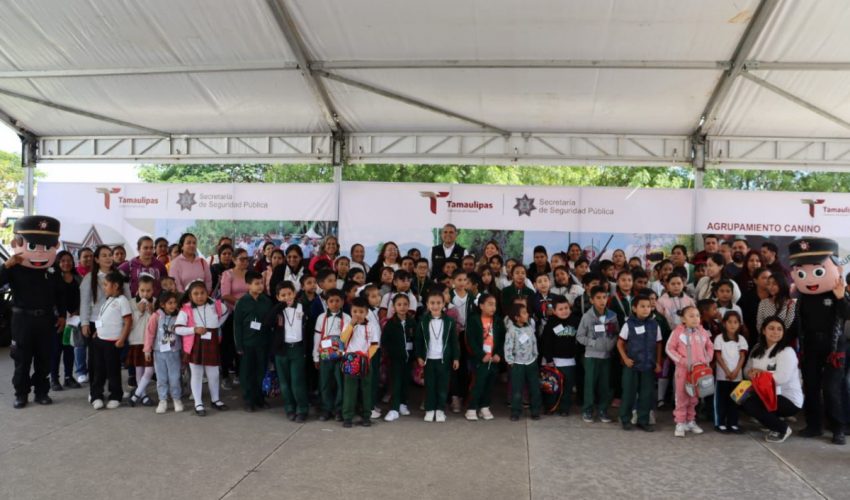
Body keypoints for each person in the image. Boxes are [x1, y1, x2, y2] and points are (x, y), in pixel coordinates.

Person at [788, 237, 849, 444]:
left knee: (832, 388)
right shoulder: (802, 298)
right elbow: (797, 324)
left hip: (834, 348)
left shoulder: (837, 294)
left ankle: (838, 427)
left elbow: (847, 315)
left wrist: (841, 297)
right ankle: (814, 425)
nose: (810, 278)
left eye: (818, 271)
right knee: (811, 386)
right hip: (810, 346)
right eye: (802, 272)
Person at [3, 216, 65, 408]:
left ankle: (41, 392)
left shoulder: (52, 269)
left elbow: (59, 294)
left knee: (43, 358)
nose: (40, 251)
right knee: (21, 359)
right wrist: (6, 266)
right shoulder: (14, 268)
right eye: (34, 246)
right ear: (17, 243)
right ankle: (21, 394)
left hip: (46, 319)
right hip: (22, 320)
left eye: (46, 247)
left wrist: (62, 315)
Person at [742, 317, 804, 443]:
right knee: (739, 397)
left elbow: (781, 379)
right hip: (765, 392)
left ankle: (782, 429)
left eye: (779, 329)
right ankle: (770, 421)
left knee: (750, 403)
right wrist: (751, 372)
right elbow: (746, 372)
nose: (775, 332)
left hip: (788, 399)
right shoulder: (757, 348)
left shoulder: (786, 351)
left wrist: (760, 373)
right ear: (763, 330)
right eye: (771, 328)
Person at [175, 280, 230, 416]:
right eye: (196, 294)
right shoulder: (186, 309)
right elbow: (178, 329)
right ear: (190, 295)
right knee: (197, 374)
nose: (199, 296)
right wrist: (194, 329)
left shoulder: (215, 305)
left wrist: (217, 325)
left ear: (208, 293)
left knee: (214, 373)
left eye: (202, 293)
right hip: (195, 344)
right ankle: (198, 403)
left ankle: (215, 399)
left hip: (211, 342)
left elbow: (226, 312)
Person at [665, 306, 713, 438]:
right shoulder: (677, 332)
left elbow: (710, 346)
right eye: (691, 316)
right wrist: (682, 361)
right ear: (683, 319)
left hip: (699, 371)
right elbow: (669, 349)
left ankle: (690, 421)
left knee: (694, 397)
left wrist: (707, 358)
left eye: (697, 315)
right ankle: (680, 422)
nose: (695, 318)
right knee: (681, 397)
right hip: (683, 371)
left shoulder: (703, 332)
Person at [616, 294, 662, 432]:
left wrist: (658, 362)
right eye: (642, 306)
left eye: (648, 306)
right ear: (634, 308)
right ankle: (625, 419)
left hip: (648, 365)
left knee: (646, 394)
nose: (646, 309)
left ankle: (643, 420)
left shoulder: (654, 325)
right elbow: (620, 343)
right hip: (632, 365)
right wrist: (625, 359)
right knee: (629, 393)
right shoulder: (628, 324)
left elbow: (659, 344)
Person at [415, 289, 459, 423]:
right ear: (427, 305)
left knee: (442, 385)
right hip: (428, 360)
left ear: (443, 304)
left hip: (443, 359)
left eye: (438, 303)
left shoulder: (450, 321)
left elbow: (454, 341)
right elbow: (418, 341)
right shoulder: (423, 321)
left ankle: (440, 410)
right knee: (430, 385)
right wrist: (419, 356)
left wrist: (456, 358)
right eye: (432, 303)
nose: (435, 306)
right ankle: (429, 409)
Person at [90, 271, 133, 410]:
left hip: (112, 342)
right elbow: (103, 319)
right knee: (98, 369)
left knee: (112, 370)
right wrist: (97, 331)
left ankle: (116, 395)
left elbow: (128, 322)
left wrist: (122, 339)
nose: (104, 287)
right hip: (100, 340)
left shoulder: (122, 301)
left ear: (115, 286)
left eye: (106, 284)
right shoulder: (108, 300)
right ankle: (96, 395)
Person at [576, 286, 619, 423]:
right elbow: (580, 336)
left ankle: (603, 410)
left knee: (604, 385)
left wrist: (611, 344)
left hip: (606, 356)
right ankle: (588, 410)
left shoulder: (612, 316)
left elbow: (616, 333)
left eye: (604, 297)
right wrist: (593, 343)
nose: (602, 301)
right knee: (590, 385)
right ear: (592, 300)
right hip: (591, 357)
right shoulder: (587, 317)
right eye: (598, 298)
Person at [268, 281, 309, 422]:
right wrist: (280, 306)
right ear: (278, 297)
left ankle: (302, 409)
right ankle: (290, 408)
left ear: (295, 294)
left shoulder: (302, 307)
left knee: (297, 381)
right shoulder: (277, 310)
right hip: (282, 350)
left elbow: (308, 327)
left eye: (289, 294)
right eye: (283, 295)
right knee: (284, 383)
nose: (287, 297)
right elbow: (267, 322)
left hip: (297, 349)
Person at [234, 271, 274, 412]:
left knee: (261, 372)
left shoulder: (266, 301)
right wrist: (239, 345)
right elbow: (237, 325)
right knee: (247, 373)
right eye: (256, 284)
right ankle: (248, 400)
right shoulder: (242, 302)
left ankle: (260, 398)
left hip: (263, 343)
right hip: (247, 344)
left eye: (261, 283)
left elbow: (270, 323)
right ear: (248, 285)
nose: (259, 286)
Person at [340, 297, 379, 428]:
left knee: (366, 389)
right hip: (351, 360)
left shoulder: (372, 326)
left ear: (366, 312)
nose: (358, 314)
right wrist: (351, 325)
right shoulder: (348, 324)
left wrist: (367, 357)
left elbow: (374, 345)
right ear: (351, 311)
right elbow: (343, 339)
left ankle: (366, 415)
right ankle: (348, 417)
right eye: (355, 311)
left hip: (365, 361)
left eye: (361, 311)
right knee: (350, 390)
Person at [312, 289, 350, 422]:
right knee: (325, 382)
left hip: (340, 355)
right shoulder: (321, 318)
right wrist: (315, 356)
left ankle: (338, 410)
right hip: (324, 355)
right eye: (331, 301)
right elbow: (317, 337)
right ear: (326, 302)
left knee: (340, 383)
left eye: (337, 301)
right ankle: (326, 409)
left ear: (343, 302)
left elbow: (349, 339)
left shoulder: (347, 318)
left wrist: (346, 355)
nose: (334, 304)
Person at [143, 291, 183, 414]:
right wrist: (147, 350)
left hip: (174, 352)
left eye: (175, 303)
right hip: (159, 352)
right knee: (161, 378)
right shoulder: (156, 316)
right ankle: (163, 400)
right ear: (162, 304)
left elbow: (183, 335)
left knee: (175, 377)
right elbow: (149, 333)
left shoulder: (179, 316)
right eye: (170, 303)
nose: (173, 305)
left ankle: (176, 398)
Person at [465, 294, 504, 421]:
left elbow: (503, 339)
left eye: (495, 304)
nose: (493, 307)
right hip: (480, 359)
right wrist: (481, 355)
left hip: (493, 359)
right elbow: (471, 341)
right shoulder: (474, 320)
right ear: (481, 306)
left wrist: (499, 353)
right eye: (490, 304)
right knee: (478, 383)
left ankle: (484, 406)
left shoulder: (498, 320)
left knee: (490, 383)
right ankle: (472, 407)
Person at [540, 296, 579, 416]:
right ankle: (550, 407)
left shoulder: (575, 321)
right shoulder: (551, 323)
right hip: (554, 362)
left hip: (570, 362)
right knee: (552, 387)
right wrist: (549, 359)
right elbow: (545, 342)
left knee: (567, 388)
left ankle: (564, 408)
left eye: (566, 308)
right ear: (555, 311)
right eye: (560, 309)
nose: (564, 311)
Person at [504, 303, 542, 421]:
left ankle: (535, 411)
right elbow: (508, 346)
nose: (527, 315)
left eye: (527, 312)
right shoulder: (512, 330)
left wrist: (535, 355)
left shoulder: (530, 327)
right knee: (517, 389)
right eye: (524, 313)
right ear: (516, 317)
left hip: (531, 362)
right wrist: (510, 360)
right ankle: (515, 411)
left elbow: (534, 341)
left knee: (534, 388)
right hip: (518, 364)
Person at [382, 294, 416, 422]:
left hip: (409, 359)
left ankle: (403, 404)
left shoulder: (412, 322)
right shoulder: (390, 324)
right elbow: (385, 341)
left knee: (406, 382)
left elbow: (416, 339)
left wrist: (415, 355)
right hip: (395, 359)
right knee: (395, 383)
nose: (402, 307)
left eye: (405, 304)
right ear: (394, 307)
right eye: (399, 304)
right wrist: (392, 353)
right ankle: (394, 409)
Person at [220, 248, 250, 389]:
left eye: (246, 259)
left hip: (248, 316)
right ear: (234, 260)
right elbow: (225, 295)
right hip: (232, 314)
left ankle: (240, 373)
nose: (245, 262)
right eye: (241, 259)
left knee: (243, 345)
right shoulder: (228, 274)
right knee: (229, 346)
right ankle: (225, 376)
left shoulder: (250, 274)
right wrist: (241, 304)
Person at [713, 311, 748, 433]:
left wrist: (736, 371)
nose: (733, 325)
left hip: (737, 378)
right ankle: (720, 423)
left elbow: (742, 357)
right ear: (724, 323)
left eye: (736, 322)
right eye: (729, 322)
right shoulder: (719, 338)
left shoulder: (741, 339)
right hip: (723, 377)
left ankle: (733, 423)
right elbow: (718, 356)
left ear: (739, 324)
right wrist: (727, 371)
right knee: (721, 401)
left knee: (735, 402)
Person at [52, 250, 81, 391]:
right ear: (58, 262)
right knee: (56, 350)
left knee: (69, 349)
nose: (66, 263)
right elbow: (50, 299)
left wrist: (76, 312)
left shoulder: (78, 278)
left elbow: (83, 298)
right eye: (62, 260)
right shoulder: (53, 277)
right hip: (57, 320)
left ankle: (69, 377)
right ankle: (54, 379)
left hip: (73, 319)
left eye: (69, 260)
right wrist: (60, 315)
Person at [127, 276, 156, 407]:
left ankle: (137, 394)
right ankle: (143, 396)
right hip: (137, 341)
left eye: (148, 291)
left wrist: (152, 312)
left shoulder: (156, 302)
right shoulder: (131, 303)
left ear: (153, 290)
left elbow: (159, 323)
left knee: (149, 370)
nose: (145, 294)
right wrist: (138, 312)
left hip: (152, 342)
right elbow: (128, 324)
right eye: (142, 290)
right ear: (137, 290)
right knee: (139, 370)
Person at [739, 268, 771, 340]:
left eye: (770, 278)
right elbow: (738, 312)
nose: (768, 280)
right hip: (751, 334)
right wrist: (743, 327)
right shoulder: (747, 297)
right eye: (764, 278)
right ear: (755, 280)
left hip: (771, 334)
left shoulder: (775, 296)